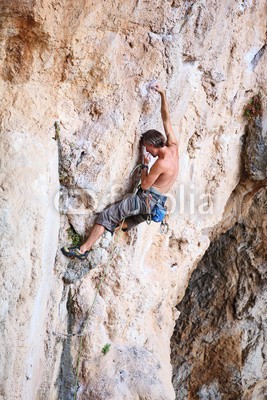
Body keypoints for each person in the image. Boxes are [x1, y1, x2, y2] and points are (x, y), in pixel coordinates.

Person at [61, 82, 179, 260]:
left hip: (146, 201)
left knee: (107, 214)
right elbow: (166, 119)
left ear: (154, 145)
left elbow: (145, 185)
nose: (147, 151)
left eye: (148, 148)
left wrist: (145, 164)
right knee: (126, 221)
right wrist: (162, 94)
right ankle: (108, 234)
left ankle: (82, 250)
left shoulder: (161, 163)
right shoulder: (174, 146)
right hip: (157, 204)